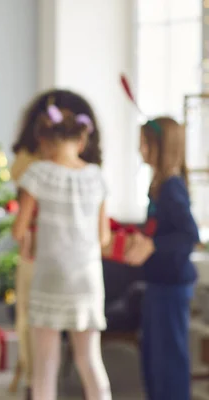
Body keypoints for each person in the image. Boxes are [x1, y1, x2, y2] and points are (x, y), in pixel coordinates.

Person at [12, 103, 111, 400]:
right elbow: (103, 236)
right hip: (87, 278)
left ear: (45, 141)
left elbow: (19, 230)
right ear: (81, 141)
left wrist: (29, 238)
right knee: (90, 360)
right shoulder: (96, 176)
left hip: (51, 274)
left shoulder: (38, 173)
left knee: (45, 365)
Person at [126, 117, 199, 400]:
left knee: (168, 361)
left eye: (144, 144)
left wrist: (153, 245)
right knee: (154, 359)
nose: (140, 150)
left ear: (160, 147)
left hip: (172, 286)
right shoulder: (160, 186)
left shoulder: (171, 188)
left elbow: (188, 234)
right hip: (159, 284)